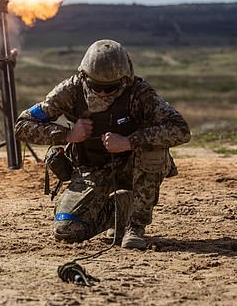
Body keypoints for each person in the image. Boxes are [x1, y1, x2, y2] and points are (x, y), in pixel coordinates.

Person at [15, 39, 191, 250]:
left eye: (110, 88)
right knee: (66, 230)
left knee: (153, 152)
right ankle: (120, 209)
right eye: (96, 86)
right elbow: (22, 125)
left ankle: (136, 226)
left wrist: (128, 142)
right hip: (90, 169)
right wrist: (67, 135)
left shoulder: (139, 93)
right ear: (84, 77)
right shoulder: (70, 90)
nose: (102, 93)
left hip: (131, 165)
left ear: (125, 80)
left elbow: (180, 129)